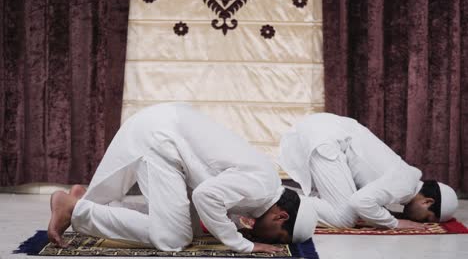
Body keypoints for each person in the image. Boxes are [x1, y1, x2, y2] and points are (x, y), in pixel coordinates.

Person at [47, 103, 317, 253]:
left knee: (194, 232)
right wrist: (241, 245)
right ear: (281, 216)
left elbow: (218, 195)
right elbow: (205, 196)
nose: (270, 242)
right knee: (173, 239)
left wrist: (234, 228)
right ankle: (75, 209)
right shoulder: (261, 188)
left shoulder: (266, 186)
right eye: (278, 238)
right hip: (162, 139)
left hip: (166, 133)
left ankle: (89, 203)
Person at [279, 113, 458, 229]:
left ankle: (286, 199)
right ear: (427, 202)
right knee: (344, 219)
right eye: (426, 219)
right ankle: (277, 198)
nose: (419, 222)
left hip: (325, 131)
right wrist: (395, 223)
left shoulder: (406, 177)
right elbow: (360, 201)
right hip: (328, 139)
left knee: (341, 208)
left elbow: (367, 199)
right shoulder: (405, 184)